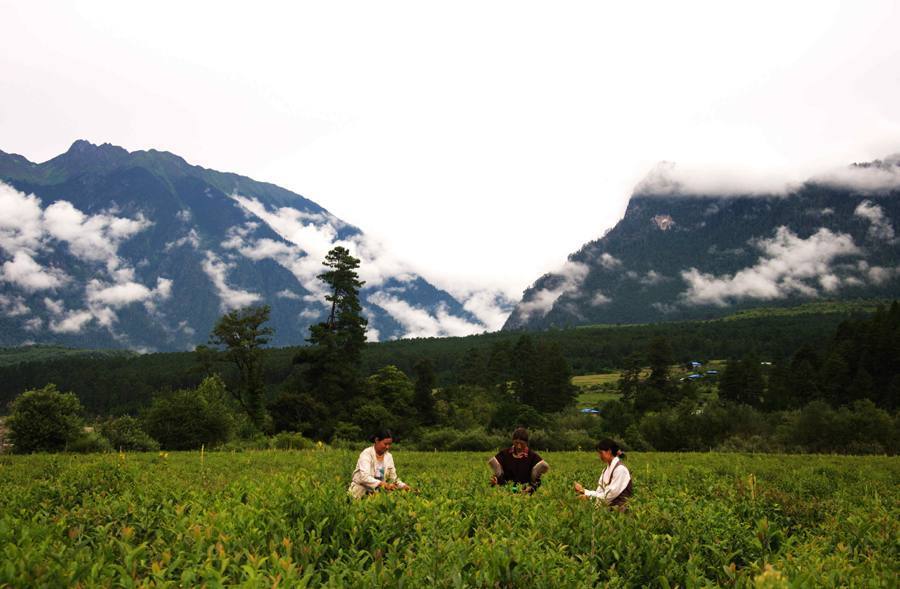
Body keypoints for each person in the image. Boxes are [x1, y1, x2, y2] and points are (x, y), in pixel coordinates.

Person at [348, 429, 411, 499]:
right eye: (385, 444)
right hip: (360, 492)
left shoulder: (389, 457)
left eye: (389, 444)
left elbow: (393, 479)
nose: (387, 447)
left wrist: (404, 486)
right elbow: (364, 477)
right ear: (377, 440)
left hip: (377, 494)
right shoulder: (366, 454)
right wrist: (383, 484)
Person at [573, 438, 632, 511]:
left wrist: (588, 498)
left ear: (609, 451)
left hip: (620, 513)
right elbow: (599, 492)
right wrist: (583, 491)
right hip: (608, 510)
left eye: (601, 453)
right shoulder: (605, 470)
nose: (599, 456)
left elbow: (609, 495)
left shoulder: (620, 470)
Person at [488, 427, 549, 494]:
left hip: (525, 492)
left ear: (526, 443)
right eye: (516, 443)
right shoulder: (505, 454)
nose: (519, 446)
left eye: (522, 444)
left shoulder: (532, 456)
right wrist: (495, 480)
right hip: (506, 491)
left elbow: (537, 480)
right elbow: (497, 472)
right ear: (512, 441)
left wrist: (531, 488)